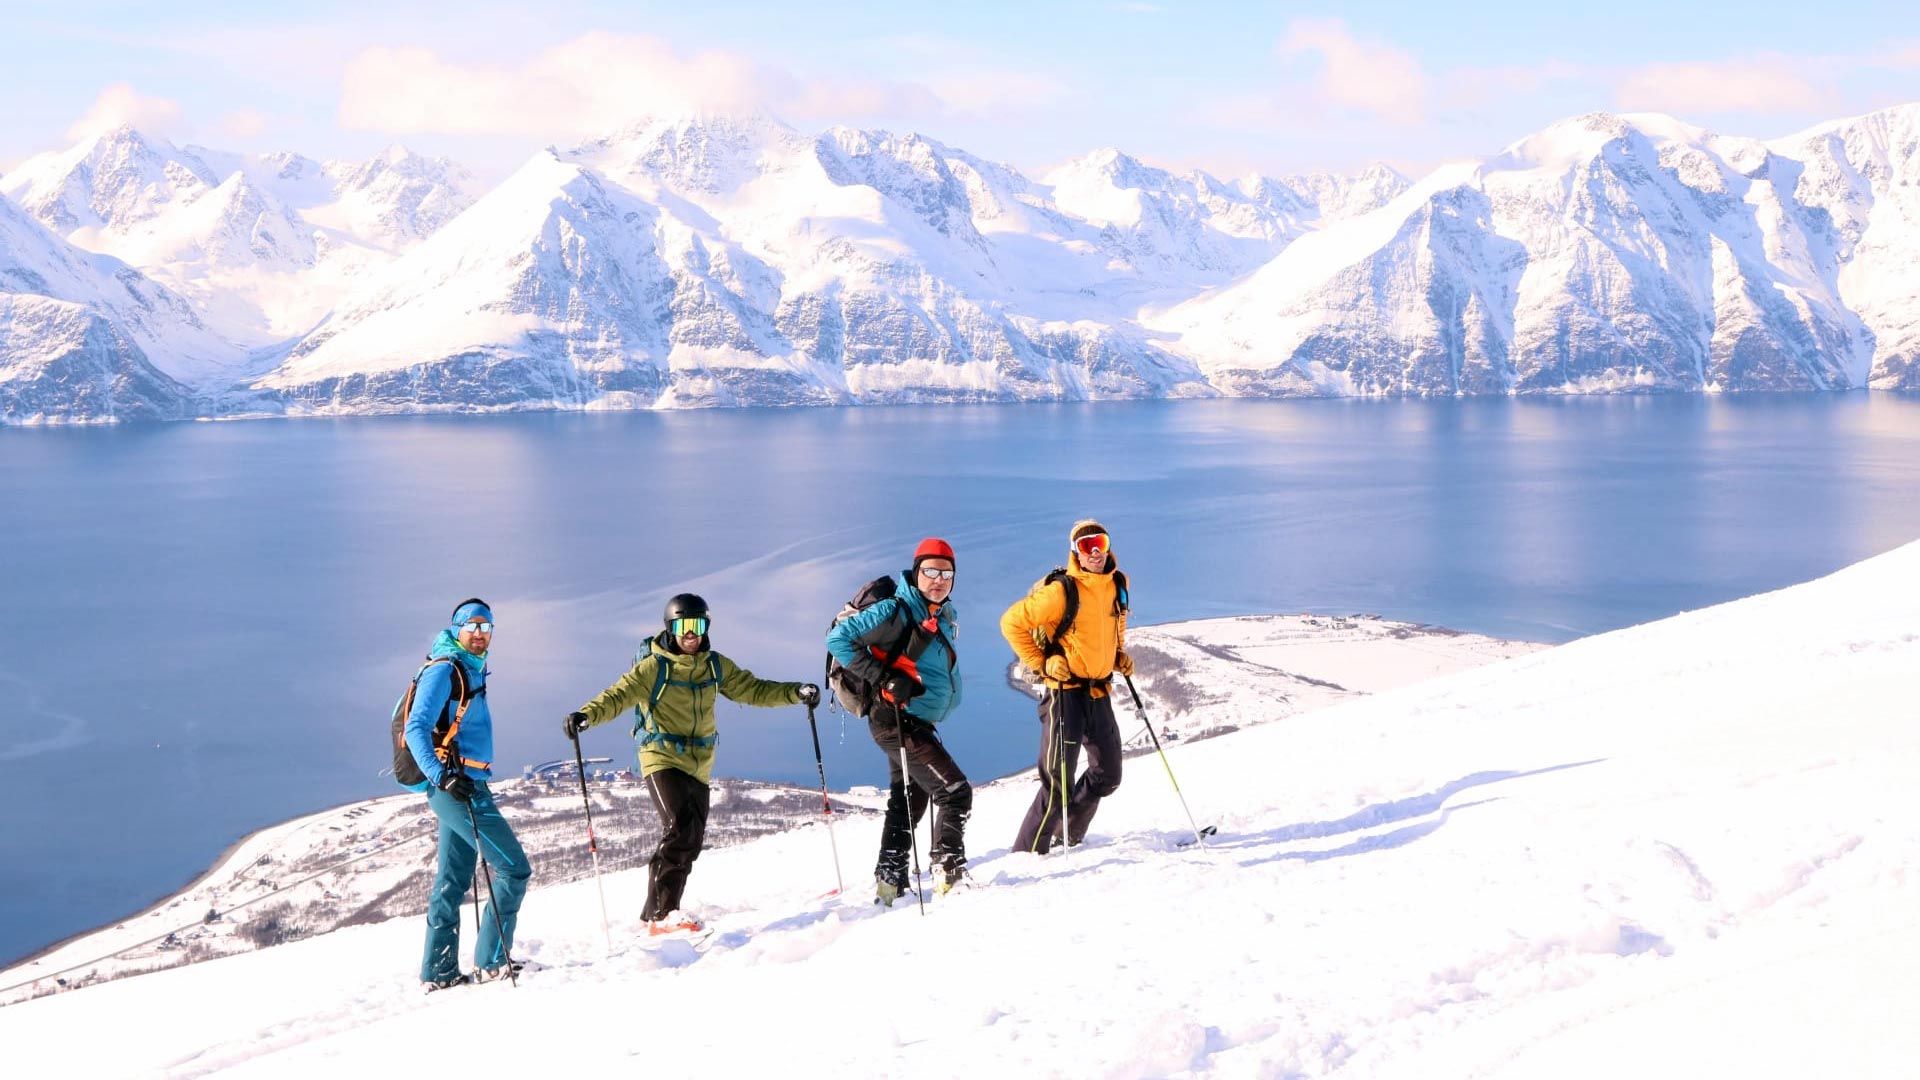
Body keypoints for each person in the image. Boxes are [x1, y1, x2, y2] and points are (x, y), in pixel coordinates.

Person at [563, 594, 818, 935]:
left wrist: (795, 692)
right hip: (660, 755)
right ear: (670, 627)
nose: (690, 634)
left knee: (692, 837)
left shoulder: (715, 666)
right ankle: (662, 914)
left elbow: (753, 689)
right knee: (680, 826)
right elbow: (619, 694)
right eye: (683, 626)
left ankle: (654, 915)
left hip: (699, 763)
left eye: (697, 625)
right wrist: (586, 716)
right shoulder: (655, 667)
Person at [826, 538, 969, 903]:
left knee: (908, 801)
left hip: (912, 720)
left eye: (946, 573)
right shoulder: (897, 610)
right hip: (894, 720)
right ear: (916, 572)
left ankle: (889, 884)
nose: (938, 579)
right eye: (930, 571)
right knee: (954, 793)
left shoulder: (937, 612)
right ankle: (949, 877)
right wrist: (884, 677)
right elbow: (838, 639)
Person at [403, 598, 531, 990]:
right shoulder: (445, 670)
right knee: (513, 869)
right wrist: (442, 778)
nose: (479, 633)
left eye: (486, 627)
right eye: (472, 626)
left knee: (452, 879)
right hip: (458, 787)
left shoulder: (467, 669)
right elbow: (415, 728)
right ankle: (492, 962)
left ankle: (438, 971)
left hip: (462, 783)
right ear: (456, 628)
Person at [1001, 520, 1133, 854]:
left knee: (1108, 774)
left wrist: (1118, 655)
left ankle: (1068, 832)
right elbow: (1011, 622)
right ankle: (1027, 856)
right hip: (1064, 695)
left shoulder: (1118, 583)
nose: (1095, 552)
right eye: (1086, 546)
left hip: (1098, 693)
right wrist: (1041, 663)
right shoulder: (1062, 590)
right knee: (1056, 785)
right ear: (1075, 551)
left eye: (1099, 542)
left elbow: (1113, 623)